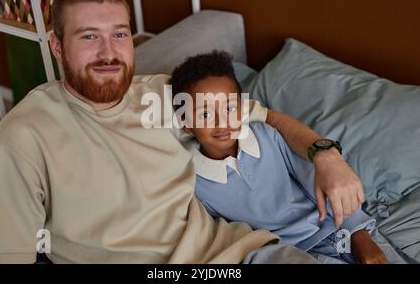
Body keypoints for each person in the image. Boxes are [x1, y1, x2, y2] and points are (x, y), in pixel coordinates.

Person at [0, 0, 362, 264]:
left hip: (240, 253)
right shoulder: (24, 137)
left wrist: (326, 155)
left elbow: (267, 117)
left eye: (119, 34)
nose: (109, 53)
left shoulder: (166, 96)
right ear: (57, 46)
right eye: (89, 37)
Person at [169, 50, 408, 264]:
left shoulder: (268, 137)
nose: (222, 122)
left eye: (230, 108)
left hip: (344, 228)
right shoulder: (194, 182)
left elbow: (327, 185)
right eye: (205, 114)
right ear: (186, 124)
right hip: (295, 254)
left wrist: (359, 235)